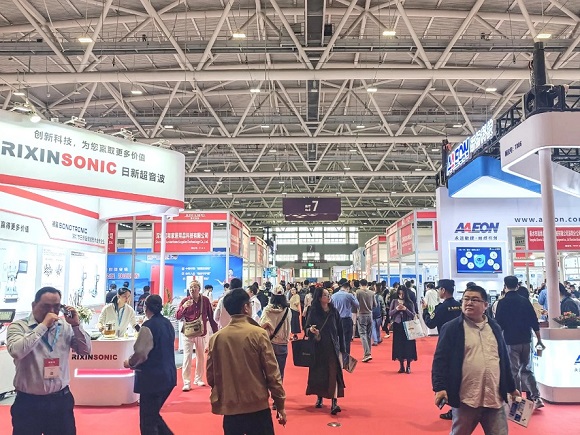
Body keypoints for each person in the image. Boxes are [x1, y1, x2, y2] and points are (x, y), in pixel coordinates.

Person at [432, 285, 520, 435]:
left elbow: (503, 360)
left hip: (494, 398)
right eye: (465, 299)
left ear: (485, 305)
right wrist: (439, 387)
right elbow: (440, 360)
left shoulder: (494, 327)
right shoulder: (452, 328)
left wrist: (512, 388)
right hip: (466, 399)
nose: (469, 303)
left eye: (474, 299)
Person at [7, 286, 91, 435]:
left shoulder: (65, 327)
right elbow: (17, 352)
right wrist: (43, 326)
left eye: (56, 307)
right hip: (28, 403)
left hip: (60, 401)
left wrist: (76, 325)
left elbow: (85, 351)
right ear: (34, 305)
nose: (52, 311)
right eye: (46, 306)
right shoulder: (18, 327)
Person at [207, 288, 287, 434]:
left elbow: (211, 376)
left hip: (230, 409)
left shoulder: (216, 338)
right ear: (245, 307)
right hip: (257, 406)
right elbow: (272, 373)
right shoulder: (259, 334)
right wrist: (280, 403)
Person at [124, 295, 176, 435]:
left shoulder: (148, 326)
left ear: (146, 307)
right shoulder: (167, 323)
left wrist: (129, 362)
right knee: (153, 416)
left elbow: (141, 353)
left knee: (148, 421)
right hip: (168, 376)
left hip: (152, 379)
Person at [495, 276, 545, 409]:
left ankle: (517, 401)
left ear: (505, 286)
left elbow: (498, 324)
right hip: (526, 339)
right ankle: (536, 397)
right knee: (527, 370)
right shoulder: (525, 301)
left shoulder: (502, 303)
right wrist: (539, 339)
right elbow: (534, 321)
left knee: (513, 371)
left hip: (510, 340)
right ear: (517, 285)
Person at [422, 279, 462, 420]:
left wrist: (425, 310)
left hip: (446, 345)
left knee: (449, 375)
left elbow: (431, 323)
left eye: (439, 289)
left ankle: (454, 408)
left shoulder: (442, 308)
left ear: (443, 290)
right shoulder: (459, 306)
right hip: (462, 344)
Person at [305, 287, 346, 415]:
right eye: (325, 295)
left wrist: (343, 348)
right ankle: (319, 398)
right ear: (319, 298)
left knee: (334, 373)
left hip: (332, 347)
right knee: (319, 374)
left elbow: (340, 330)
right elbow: (306, 328)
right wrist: (311, 331)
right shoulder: (314, 311)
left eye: (329, 295)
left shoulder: (334, 311)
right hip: (318, 347)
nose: (328, 297)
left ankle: (334, 402)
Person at [176, 280, 218, 391]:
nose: (192, 289)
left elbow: (211, 317)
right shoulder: (185, 301)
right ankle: (186, 382)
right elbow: (177, 316)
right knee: (187, 357)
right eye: (190, 287)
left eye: (194, 287)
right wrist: (184, 307)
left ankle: (198, 378)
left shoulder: (205, 300)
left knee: (200, 356)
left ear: (199, 289)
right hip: (188, 333)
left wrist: (216, 332)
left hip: (201, 332)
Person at [260, 293, 291, 385]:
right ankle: (278, 391)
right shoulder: (287, 310)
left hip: (269, 343)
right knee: (280, 372)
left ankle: (266, 390)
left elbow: (261, 325)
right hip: (282, 343)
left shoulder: (267, 310)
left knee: (267, 371)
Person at [329, 279, 359, 364]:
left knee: (337, 339)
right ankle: (346, 360)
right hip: (346, 319)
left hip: (336, 319)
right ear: (348, 288)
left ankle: (337, 358)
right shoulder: (349, 295)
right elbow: (357, 305)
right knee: (346, 340)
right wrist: (353, 296)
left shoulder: (333, 296)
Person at [389, 286, 417, 374]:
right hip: (398, 325)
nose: (401, 295)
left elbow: (413, 314)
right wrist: (396, 309)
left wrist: (405, 309)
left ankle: (408, 365)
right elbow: (390, 313)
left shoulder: (410, 302)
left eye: (402, 294)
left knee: (408, 346)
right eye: (399, 294)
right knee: (399, 345)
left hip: (408, 326)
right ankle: (401, 365)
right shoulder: (394, 301)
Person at [356, 279, 376, 362]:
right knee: (368, 335)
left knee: (363, 334)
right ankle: (368, 353)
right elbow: (375, 304)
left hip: (361, 314)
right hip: (370, 315)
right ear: (367, 284)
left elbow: (355, 303)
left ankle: (367, 354)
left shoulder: (358, 292)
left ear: (360, 284)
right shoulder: (372, 293)